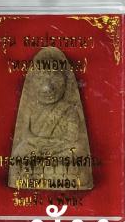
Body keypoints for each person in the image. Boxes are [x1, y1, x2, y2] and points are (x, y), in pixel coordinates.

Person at [8, 47, 93, 190]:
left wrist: (52, 149)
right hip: (36, 149)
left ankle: (52, 174)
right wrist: (39, 146)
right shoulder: (31, 109)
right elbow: (25, 137)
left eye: (55, 78)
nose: (47, 87)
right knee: (20, 153)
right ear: (33, 82)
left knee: (77, 152)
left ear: (65, 82)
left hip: (61, 151)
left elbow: (72, 140)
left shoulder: (69, 110)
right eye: (41, 78)